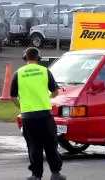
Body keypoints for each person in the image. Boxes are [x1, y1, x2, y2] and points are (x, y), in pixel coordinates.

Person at [10, 47, 66, 180]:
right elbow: (55, 91)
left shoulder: (18, 73)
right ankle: (55, 173)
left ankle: (36, 175)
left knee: (34, 146)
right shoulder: (45, 71)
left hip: (28, 116)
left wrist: (22, 107)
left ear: (25, 58)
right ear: (39, 58)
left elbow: (12, 96)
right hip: (45, 115)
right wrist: (48, 98)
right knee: (51, 144)